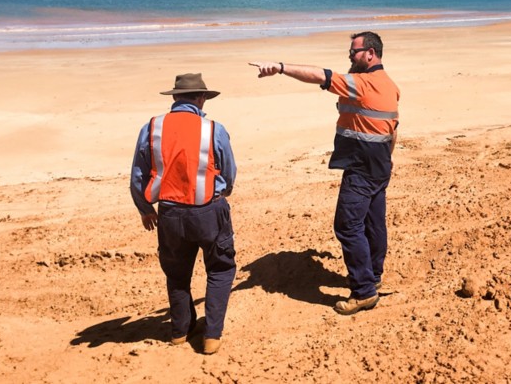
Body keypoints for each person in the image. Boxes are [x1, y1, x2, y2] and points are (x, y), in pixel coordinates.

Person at [249, 31, 399, 316]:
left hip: (361, 168)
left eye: (354, 52)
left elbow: (320, 75)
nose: (349, 56)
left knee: (347, 226)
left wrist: (280, 68)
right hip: (381, 165)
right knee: (374, 223)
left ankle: (364, 291)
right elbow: (394, 127)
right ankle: (374, 274)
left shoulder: (361, 83)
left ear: (370, 54)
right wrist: (386, 161)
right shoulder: (390, 84)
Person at [130, 72, 237, 354]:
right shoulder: (213, 128)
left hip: (169, 213)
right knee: (220, 269)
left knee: (177, 274)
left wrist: (145, 209)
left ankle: (181, 330)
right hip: (207, 211)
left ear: (175, 98)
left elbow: (138, 175)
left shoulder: (151, 127)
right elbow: (228, 171)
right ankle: (212, 336)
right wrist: (223, 193)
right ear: (201, 98)